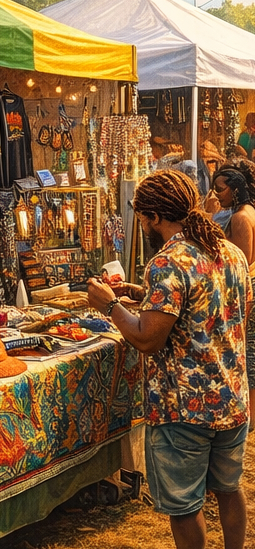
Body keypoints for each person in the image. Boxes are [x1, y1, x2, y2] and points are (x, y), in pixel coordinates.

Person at [87, 169, 251, 549]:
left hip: (186, 408)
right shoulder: (230, 252)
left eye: (143, 218)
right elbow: (210, 308)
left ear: (155, 217)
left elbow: (147, 338)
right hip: (231, 396)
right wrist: (143, 294)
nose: (143, 224)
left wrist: (109, 304)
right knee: (229, 489)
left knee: (184, 505)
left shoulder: (168, 262)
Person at [207, 160, 255, 429]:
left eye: (220, 190)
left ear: (235, 190)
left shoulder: (239, 217)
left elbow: (241, 261)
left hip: (248, 288)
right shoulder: (248, 211)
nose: (216, 195)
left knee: (248, 355)